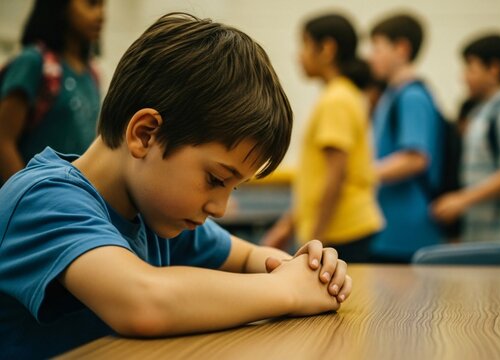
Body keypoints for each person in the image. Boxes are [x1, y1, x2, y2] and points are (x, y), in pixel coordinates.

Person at [0, 13, 351, 358]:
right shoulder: (43, 199)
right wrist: (286, 290)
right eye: (215, 180)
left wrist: (309, 271)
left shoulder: (153, 211)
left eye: (233, 188)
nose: (220, 208)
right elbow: (143, 301)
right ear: (145, 134)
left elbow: (248, 257)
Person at [262, 13, 383, 263]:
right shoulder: (342, 95)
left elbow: (334, 177)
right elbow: (317, 179)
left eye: (305, 45)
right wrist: (288, 225)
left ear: (327, 48)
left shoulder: (336, 100)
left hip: (343, 231)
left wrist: (315, 239)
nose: (299, 55)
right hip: (342, 229)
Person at [0, 0, 104, 184]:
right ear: (60, 6)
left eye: (103, 5)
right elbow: (3, 140)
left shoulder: (92, 75)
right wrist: (26, 196)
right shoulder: (34, 62)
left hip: (69, 200)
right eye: (91, 4)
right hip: (30, 201)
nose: (101, 15)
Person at [368, 13, 444, 263]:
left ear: (401, 48)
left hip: (409, 231)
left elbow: (415, 159)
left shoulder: (412, 97)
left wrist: (361, 175)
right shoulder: (392, 95)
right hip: (392, 228)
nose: (371, 56)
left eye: (377, 48)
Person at [432, 34, 500, 244]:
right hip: (478, 233)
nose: (464, 78)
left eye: (471, 68)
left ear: (494, 69)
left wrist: (462, 200)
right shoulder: (479, 114)